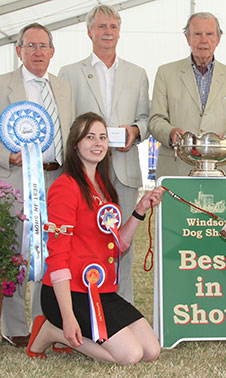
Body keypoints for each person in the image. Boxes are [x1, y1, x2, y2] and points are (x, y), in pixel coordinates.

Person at [26, 112, 163, 364]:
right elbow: (57, 258)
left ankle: (60, 331)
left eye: (102, 137)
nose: (98, 143)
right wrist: (68, 318)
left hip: (99, 291)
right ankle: (52, 330)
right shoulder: (65, 187)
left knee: (151, 351)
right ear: (75, 143)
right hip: (68, 293)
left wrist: (140, 210)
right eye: (90, 137)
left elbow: (118, 245)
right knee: (130, 356)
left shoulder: (103, 186)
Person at [58, 4, 150, 304]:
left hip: (123, 169)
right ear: (89, 32)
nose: (107, 32)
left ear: (119, 32)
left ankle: (120, 307)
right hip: (84, 171)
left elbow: (146, 119)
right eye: (101, 27)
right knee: (83, 240)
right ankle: (79, 305)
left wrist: (135, 132)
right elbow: (66, 120)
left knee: (122, 243)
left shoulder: (138, 73)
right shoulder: (69, 73)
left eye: (112, 27)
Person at [0, 23, 74, 348]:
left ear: (53, 51)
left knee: (51, 255)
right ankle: (14, 327)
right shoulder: (3, 85)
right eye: (30, 46)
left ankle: (43, 324)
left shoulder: (64, 87)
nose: (38, 52)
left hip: (56, 179)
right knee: (18, 252)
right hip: (16, 179)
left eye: (43, 46)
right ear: (18, 51)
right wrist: (8, 157)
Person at [148, 12, 226, 177]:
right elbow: (155, 120)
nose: (203, 40)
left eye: (209, 34)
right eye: (197, 34)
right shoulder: (165, 73)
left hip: (218, 171)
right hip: (174, 170)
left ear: (218, 38)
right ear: (187, 38)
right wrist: (171, 134)